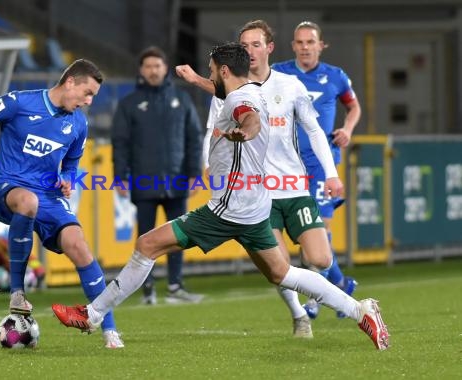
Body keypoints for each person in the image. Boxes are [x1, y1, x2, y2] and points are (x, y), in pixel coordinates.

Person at [51, 43, 390, 351]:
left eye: (213, 70)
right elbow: (228, 94)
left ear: (224, 71)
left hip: (227, 209)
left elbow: (248, 116)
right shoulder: (250, 89)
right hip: (255, 207)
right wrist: (196, 78)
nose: (211, 75)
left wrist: (246, 130)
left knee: (147, 245)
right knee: (282, 274)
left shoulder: (242, 103)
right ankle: (361, 310)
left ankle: (93, 314)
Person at [175, 20, 343, 338]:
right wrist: (205, 164)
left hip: (294, 187)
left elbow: (314, 130)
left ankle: (315, 295)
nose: (249, 51)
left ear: (269, 48)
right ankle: (300, 317)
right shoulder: (226, 92)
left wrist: (331, 174)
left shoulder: (291, 86)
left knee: (319, 258)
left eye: (255, 44)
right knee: (278, 267)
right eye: (244, 46)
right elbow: (211, 128)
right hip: (257, 193)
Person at [0, 59, 124, 349]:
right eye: (87, 93)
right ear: (70, 81)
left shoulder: (78, 124)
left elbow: (71, 162)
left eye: (93, 96)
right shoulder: (19, 102)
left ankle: (109, 330)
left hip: (47, 193)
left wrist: (69, 177)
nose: (88, 101)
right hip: (5, 185)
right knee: (28, 201)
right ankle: (17, 292)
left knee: (78, 244)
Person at [272, 21, 361, 319]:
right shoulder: (279, 72)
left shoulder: (335, 76)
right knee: (302, 233)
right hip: (287, 164)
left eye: (310, 42)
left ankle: (314, 299)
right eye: (299, 42)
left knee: (317, 231)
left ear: (321, 45)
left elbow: (354, 107)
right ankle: (340, 283)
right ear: (293, 46)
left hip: (322, 165)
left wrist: (347, 129)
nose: (305, 47)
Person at [111, 46, 204, 305]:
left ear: (165, 69)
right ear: (141, 70)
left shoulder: (182, 100)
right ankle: (147, 290)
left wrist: (195, 174)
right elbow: (120, 142)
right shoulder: (129, 104)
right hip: (143, 180)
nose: (153, 70)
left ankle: (175, 285)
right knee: (145, 237)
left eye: (158, 65)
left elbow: (194, 139)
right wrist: (120, 176)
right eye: (148, 66)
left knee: (179, 234)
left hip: (176, 181)